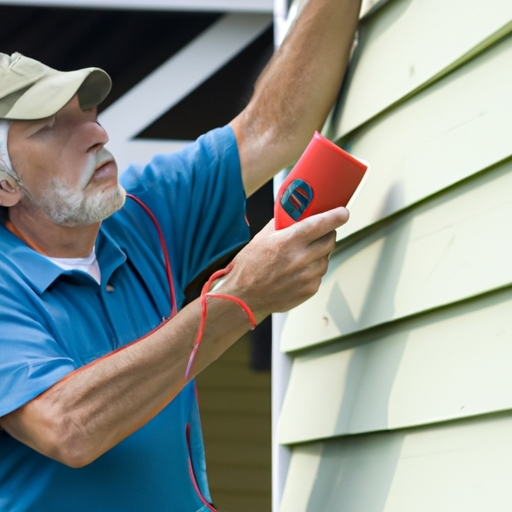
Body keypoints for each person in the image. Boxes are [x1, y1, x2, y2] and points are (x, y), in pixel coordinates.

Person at [0, 0, 361, 510]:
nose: (97, 134)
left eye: (88, 113)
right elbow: (68, 426)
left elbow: (272, 128)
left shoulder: (142, 217)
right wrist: (238, 299)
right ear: (4, 186)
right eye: (53, 128)